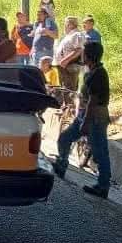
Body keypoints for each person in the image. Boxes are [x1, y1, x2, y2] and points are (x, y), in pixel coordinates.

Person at [52, 41, 111, 199]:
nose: (81, 55)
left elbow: (93, 100)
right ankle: (62, 163)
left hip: (94, 117)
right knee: (65, 138)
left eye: (83, 52)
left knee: (100, 152)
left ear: (89, 55)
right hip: (85, 115)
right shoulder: (92, 71)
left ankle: (103, 186)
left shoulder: (97, 74)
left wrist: (85, 121)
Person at [54, 16, 85, 91]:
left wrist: (65, 60)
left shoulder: (76, 35)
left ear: (71, 25)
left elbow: (78, 50)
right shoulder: (69, 35)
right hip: (63, 66)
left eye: (66, 24)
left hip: (70, 66)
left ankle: (70, 103)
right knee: (64, 89)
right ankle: (66, 102)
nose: (64, 26)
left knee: (70, 90)